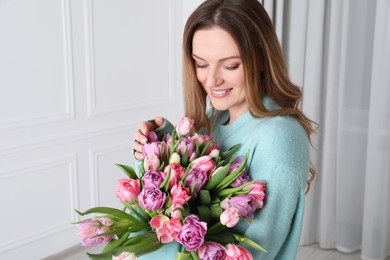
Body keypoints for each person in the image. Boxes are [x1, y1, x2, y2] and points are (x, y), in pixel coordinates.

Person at [133, 0, 316, 259]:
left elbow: (255, 249)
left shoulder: (279, 137)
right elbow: (196, 198)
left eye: (230, 65)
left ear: (262, 59)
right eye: (201, 64)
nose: (212, 80)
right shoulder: (215, 118)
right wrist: (158, 147)